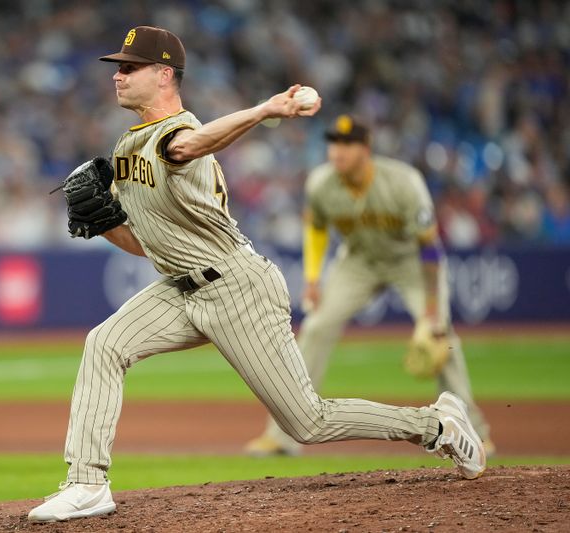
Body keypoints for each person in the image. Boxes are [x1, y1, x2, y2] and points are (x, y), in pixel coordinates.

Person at [28, 27, 486, 523]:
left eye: (130, 67)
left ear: (164, 75)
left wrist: (266, 110)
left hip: (236, 287)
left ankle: (437, 425)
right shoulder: (126, 145)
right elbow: (148, 245)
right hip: (180, 287)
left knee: (306, 422)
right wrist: (107, 225)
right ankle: (87, 484)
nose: (117, 75)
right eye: (118, 66)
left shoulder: (176, 134)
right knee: (105, 344)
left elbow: (192, 144)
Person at [245, 116, 493, 457]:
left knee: (439, 332)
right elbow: (316, 230)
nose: (337, 151)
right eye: (333, 143)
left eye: (346, 144)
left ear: (365, 149)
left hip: (410, 262)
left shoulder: (404, 182)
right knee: (316, 328)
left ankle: (474, 431)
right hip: (358, 261)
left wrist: (433, 309)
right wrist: (314, 279)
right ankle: (282, 436)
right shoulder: (321, 183)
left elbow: (431, 246)